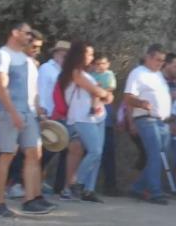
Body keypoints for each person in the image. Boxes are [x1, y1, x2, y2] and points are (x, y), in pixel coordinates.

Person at [0, 22, 55, 218]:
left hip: (28, 112)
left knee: (33, 153)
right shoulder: (3, 55)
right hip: (10, 112)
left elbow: (31, 89)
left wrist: (37, 109)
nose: (29, 37)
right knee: (7, 154)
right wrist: (12, 112)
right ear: (15, 32)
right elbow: (1, 85)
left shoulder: (26, 59)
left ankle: (30, 199)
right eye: (26, 33)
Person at [61, 42, 111, 203]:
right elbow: (97, 90)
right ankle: (77, 182)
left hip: (98, 116)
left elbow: (106, 95)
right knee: (94, 150)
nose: (91, 57)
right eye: (88, 54)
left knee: (97, 153)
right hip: (82, 117)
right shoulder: (74, 73)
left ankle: (88, 189)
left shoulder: (86, 73)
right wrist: (103, 93)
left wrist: (103, 94)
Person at [124, 44, 173, 205]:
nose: (160, 63)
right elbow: (128, 97)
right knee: (155, 154)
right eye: (158, 60)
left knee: (158, 155)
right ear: (148, 57)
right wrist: (141, 103)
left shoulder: (158, 75)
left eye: (163, 61)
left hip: (162, 121)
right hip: (146, 119)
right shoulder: (137, 74)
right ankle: (154, 191)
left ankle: (137, 188)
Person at [38, 40, 69, 196]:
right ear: (56, 53)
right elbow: (42, 89)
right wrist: (42, 111)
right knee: (47, 151)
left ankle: (59, 186)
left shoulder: (64, 71)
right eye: (63, 54)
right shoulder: (46, 69)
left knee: (63, 150)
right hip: (50, 113)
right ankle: (33, 180)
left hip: (62, 114)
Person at [90, 52, 119, 196]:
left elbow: (109, 89)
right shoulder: (90, 76)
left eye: (102, 64)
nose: (100, 67)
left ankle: (110, 186)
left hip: (105, 117)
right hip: (91, 116)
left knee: (107, 152)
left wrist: (98, 91)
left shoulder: (109, 75)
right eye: (97, 64)